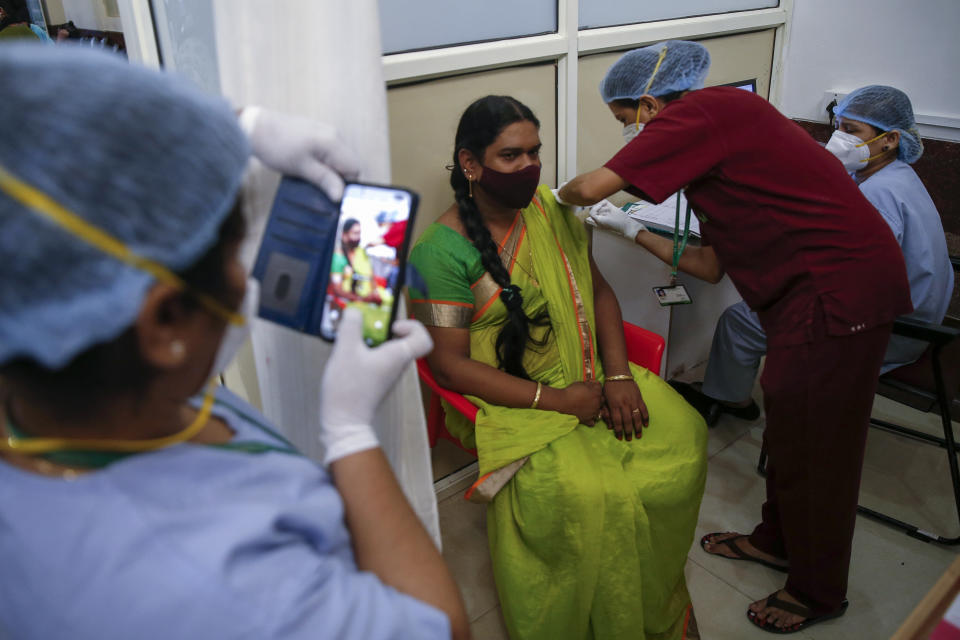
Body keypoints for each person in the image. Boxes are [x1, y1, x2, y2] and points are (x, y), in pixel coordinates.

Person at [0, 44, 469, 640]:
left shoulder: (57, 364)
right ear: (164, 323)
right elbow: (440, 628)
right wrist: (350, 436)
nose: (248, 274)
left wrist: (237, 126)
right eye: (232, 252)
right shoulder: (211, 590)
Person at [559, 41, 912, 633]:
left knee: (820, 450)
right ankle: (776, 540)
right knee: (791, 428)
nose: (630, 137)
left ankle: (819, 591)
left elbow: (591, 186)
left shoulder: (706, 113)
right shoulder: (720, 145)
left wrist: (552, 201)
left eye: (626, 123)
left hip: (838, 294)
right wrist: (627, 230)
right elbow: (710, 265)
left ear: (649, 105)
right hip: (809, 295)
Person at [408, 95, 707, 640]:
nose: (529, 168)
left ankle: (648, 589)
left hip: (586, 366)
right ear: (471, 164)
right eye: (511, 156)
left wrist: (616, 378)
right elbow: (448, 368)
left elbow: (598, 291)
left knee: (683, 438)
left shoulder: (551, 210)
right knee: (587, 495)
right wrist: (559, 400)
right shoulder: (438, 252)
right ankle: (586, 613)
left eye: (535, 153)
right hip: (507, 396)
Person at [671, 84, 955, 426]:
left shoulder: (881, 196)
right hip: (916, 309)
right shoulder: (893, 173)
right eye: (838, 126)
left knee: (740, 320)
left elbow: (847, 275)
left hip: (892, 327)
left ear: (890, 139)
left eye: (851, 131)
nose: (839, 138)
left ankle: (728, 398)